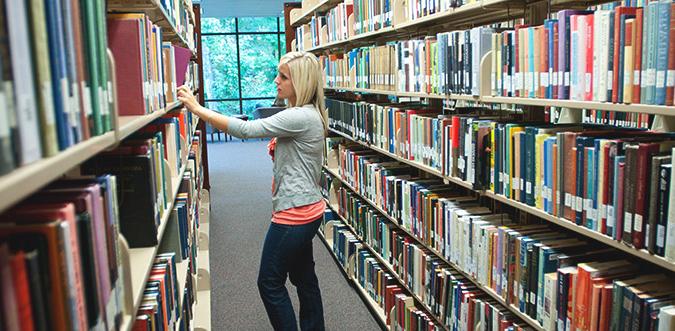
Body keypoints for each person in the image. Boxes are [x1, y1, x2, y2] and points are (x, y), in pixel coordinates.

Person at [177, 51, 327, 331]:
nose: (276, 81)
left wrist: (197, 109)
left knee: (269, 282)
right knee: (305, 278)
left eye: (283, 76)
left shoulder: (299, 117)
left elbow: (245, 130)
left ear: (301, 82)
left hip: (294, 214)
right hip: (308, 208)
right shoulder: (307, 114)